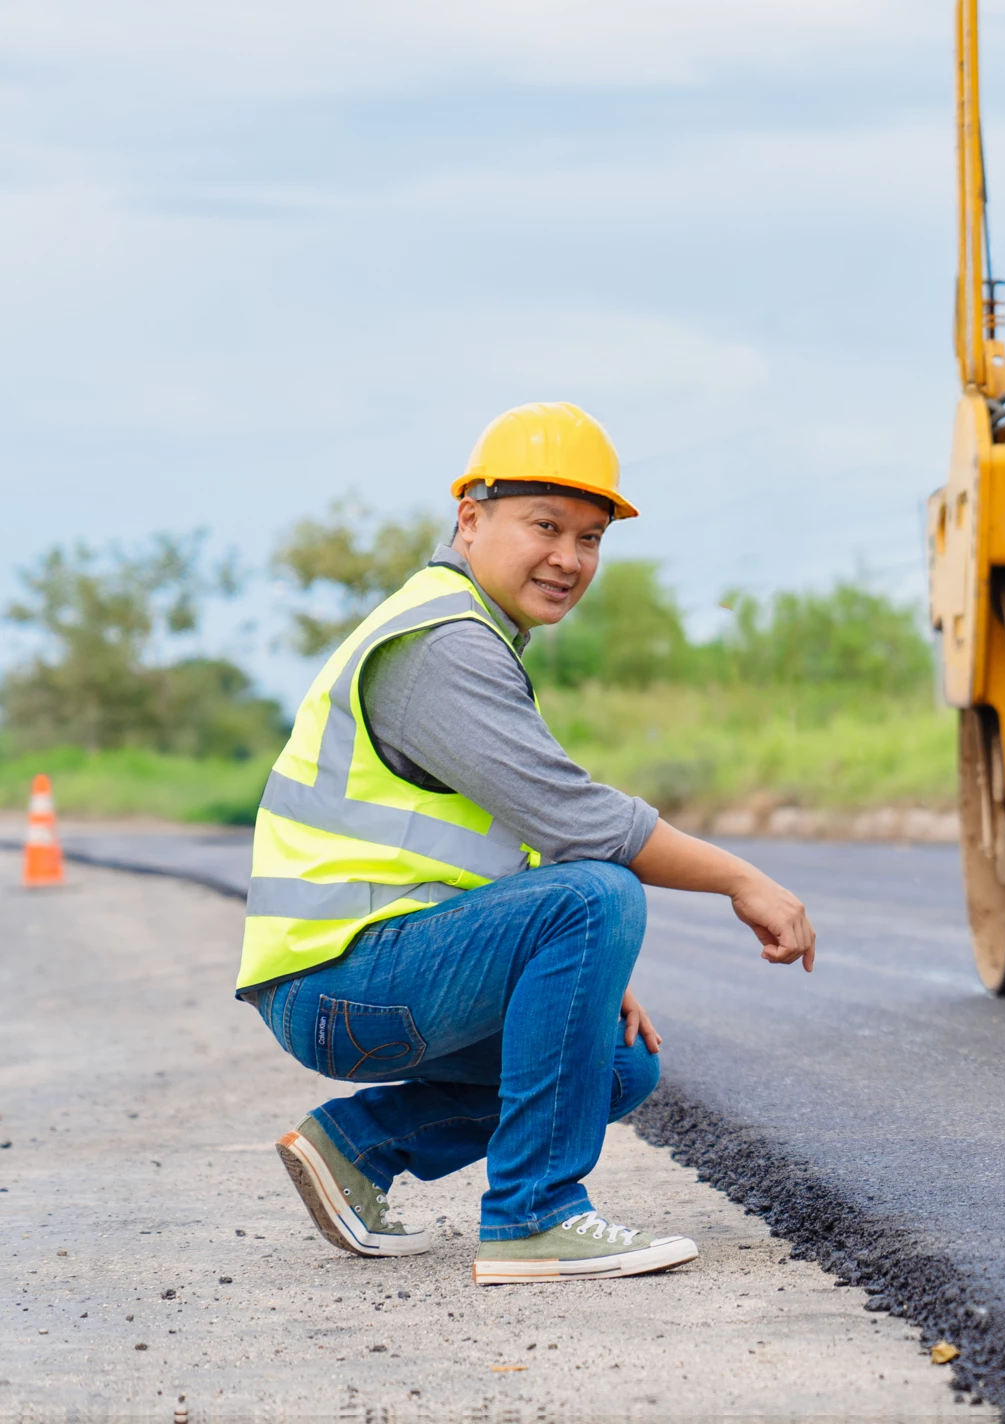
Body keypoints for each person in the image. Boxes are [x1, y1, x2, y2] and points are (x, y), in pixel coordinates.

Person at [236, 402, 818, 1287]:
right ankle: (535, 1217)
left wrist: (591, 980)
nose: (569, 559)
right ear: (470, 519)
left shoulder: (472, 634)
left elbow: (501, 852)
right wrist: (744, 880)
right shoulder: (441, 645)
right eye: (545, 526)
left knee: (615, 1066)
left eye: (590, 538)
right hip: (342, 984)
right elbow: (583, 827)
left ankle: (356, 1149)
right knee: (600, 890)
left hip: (368, 979)